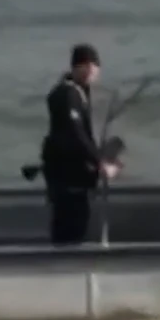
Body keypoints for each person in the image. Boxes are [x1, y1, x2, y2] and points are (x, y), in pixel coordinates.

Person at [41, 44, 119, 245]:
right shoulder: (67, 94)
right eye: (87, 65)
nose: (92, 70)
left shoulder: (80, 93)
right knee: (69, 227)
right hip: (66, 178)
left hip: (75, 177)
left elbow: (84, 135)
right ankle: (63, 267)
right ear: (77, 67)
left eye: (95, 65)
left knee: (77, 223)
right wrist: (99, 163)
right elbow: (75, 134)